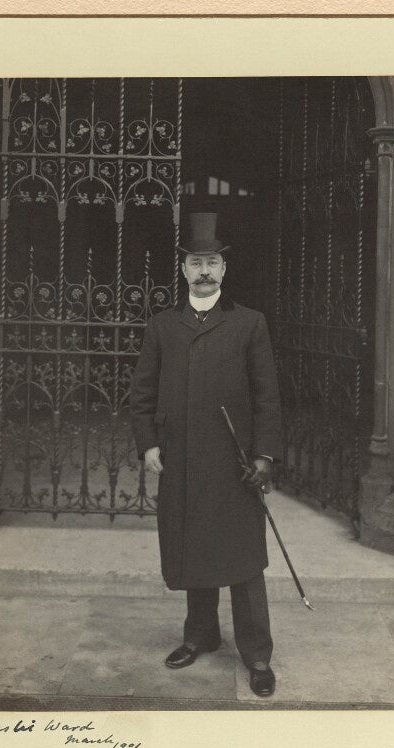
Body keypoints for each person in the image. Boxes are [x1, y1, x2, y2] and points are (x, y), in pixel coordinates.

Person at [130, 211, 283, 697]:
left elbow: (267, 396)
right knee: (193, 545)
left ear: (223, 269)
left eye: (211, 263)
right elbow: (142, 393)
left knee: (243, 558)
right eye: (195, 263)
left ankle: (257, 654)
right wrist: (148, 443)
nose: (203, 272)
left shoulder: (249, 324)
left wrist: (264, 456)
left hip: (235, 462)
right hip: (182, 459)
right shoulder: (163, 326)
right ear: (183, 270)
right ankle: (200, 635)